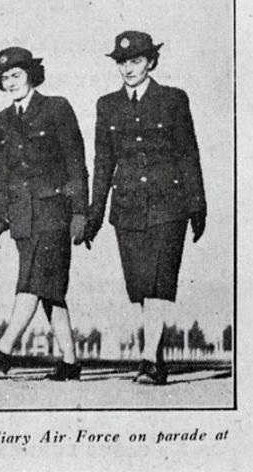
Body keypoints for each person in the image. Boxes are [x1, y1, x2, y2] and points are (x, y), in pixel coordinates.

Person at [84, 31, 206, 385]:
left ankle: (151, 359)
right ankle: (153, 353)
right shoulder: (106, 105)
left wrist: (197, 205)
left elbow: (188, 154)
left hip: (170, 205)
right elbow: (103, 162)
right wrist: (94, 214)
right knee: (139, 287)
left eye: (135, 61)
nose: (128, 68)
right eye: (122, 62)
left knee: (158, 283)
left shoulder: (173, 100)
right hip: (128, 208)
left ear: (151, 62)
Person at [0, 47, 89, 381]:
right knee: (48, 289)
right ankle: (70, 361)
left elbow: (76, 163)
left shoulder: (56, 108)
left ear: (31, 74)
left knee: (32, 281)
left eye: (16, 75)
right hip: (23, 216)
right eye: (5, 78)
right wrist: (0, 220)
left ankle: (2, 351)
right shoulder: (3, 119)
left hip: (54, 211)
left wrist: (80, 211)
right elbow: (4, 173)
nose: (10, 83)